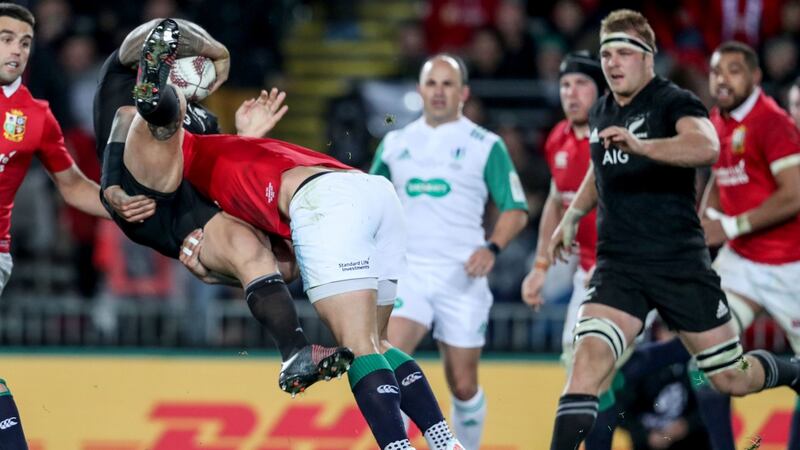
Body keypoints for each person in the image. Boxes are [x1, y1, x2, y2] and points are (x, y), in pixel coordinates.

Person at [127, 20, 463, 450]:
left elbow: (273, 265)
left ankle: (397, 447)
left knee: (359, 346)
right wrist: (246, 136)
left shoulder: (190, 157)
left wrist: (213, 271)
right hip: (372, 192)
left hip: (326, 201)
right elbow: (285, 261)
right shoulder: (230, 154)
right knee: (378, 342)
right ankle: (445, 442)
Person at [547, 10, 800, 450]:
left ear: (648, 57)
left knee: (728, 377)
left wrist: (644, 147)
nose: (612, 62)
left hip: (680, 268)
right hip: (619, 269)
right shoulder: (603, 108)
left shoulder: (674, 102)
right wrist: (572, 215)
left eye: (624, 52)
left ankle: (792, 370)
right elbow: (599, 166)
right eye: (606, 53)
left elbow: (706, 145)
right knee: (584, 367)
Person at [93, 18, 352, 396]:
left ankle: (295, 354)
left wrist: (245, 140)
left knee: (266, 259)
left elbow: (216, 178)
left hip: (185, 218)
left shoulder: (207, 119)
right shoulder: (118, 76)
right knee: (147, 116)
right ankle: (156, 101)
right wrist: (110, 188)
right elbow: (153, 40)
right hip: (138, 189)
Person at [370, 53, 529, 450]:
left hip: (462, 275)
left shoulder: (485, 145)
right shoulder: (395, 144)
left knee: (463, 384)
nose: (439, 91)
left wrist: (492, 247)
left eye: (448, 84)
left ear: (464, 93)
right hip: (408, 272)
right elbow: (370, 203)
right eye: (432, 83)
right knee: (389, 363)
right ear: (419, 90)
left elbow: (515, 208)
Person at [0, 4, 112, 449]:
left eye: (25, 43)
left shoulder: (35, 115)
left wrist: (124, 207)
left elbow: (74, 186)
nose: (17, 50)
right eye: (6, 39)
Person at [702, 40, 800, 449]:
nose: (722, 79)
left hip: (790, 266)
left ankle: (792, 371)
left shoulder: (773, 123)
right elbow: (720, 175)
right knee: (705, 365)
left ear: (756, 77)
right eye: (716, 71)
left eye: (734, 70)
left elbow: (794, 194)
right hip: (741, 263)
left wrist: (731, 225)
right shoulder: (717, 121)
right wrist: (705, 218)